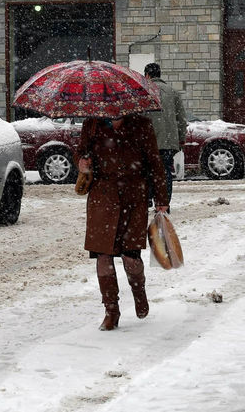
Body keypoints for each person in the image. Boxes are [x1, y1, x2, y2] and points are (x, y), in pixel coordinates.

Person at [76, 114, 170, 331]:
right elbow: (80, 153)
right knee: (103, 254)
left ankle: (139, 292)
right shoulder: (91, 124)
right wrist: (81, 163)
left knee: (131, 255)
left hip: (134, 195)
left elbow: (155, 161)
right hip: (102, 194)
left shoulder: (141, 124)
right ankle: (111, 310)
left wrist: (161, 199)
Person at [143, 62, 187, 202]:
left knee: (147, 170)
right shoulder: (173, 92)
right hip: (168, 141)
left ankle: (148, 198)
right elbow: (181, 118)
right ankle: (164, 202)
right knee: (165, 171)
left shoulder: (144, 91)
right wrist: (181, 138)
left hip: (149, 140)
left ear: (147, 75)